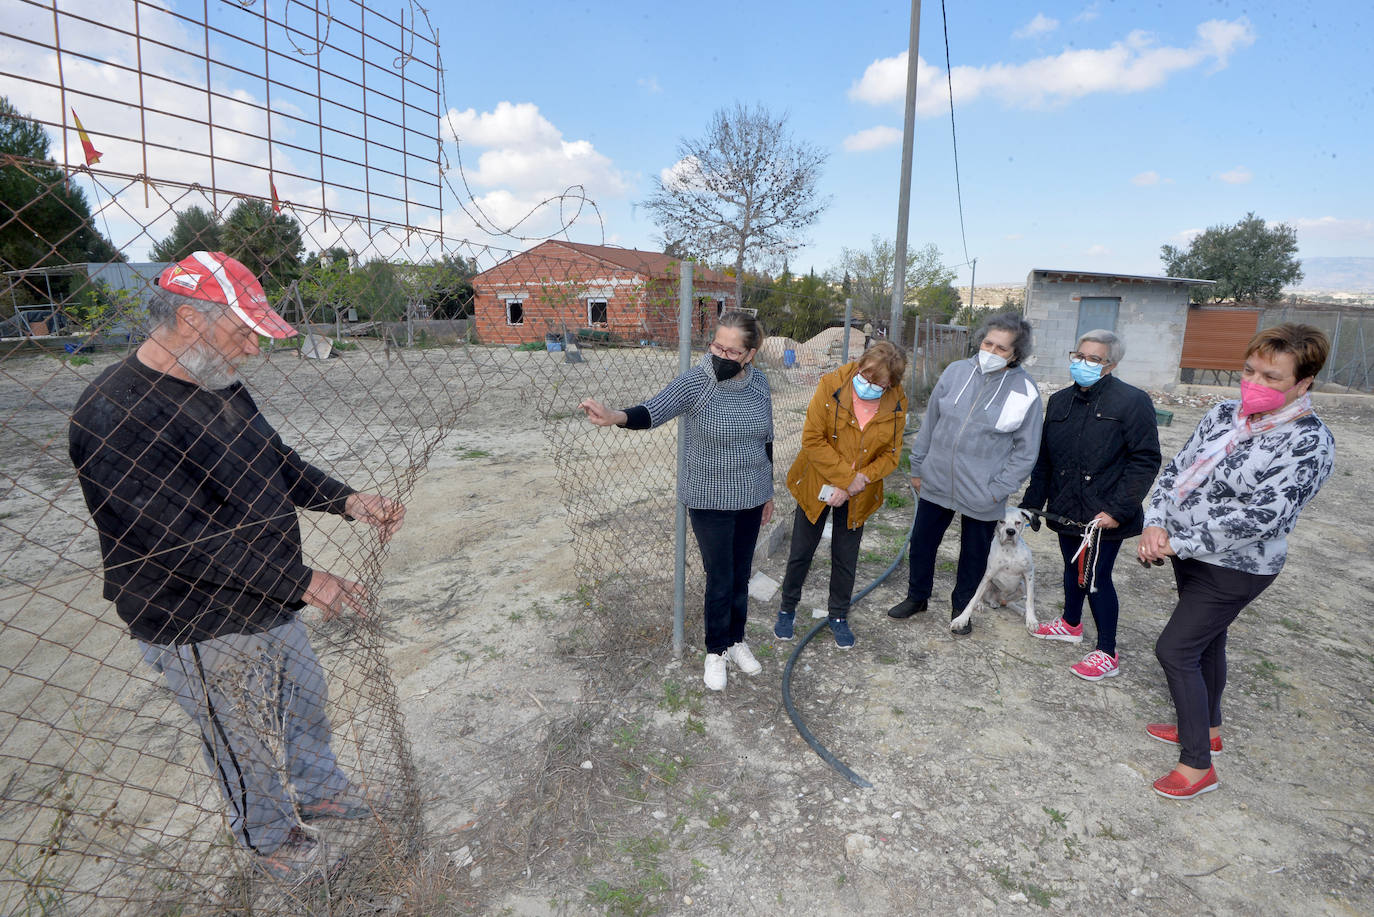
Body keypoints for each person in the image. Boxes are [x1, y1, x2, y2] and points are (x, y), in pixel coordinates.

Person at [68, 252, 406, 883]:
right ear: (191, 319)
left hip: (266, 590)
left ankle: (318, 789)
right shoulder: (115, 413)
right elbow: (180, 541)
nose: (252, 350)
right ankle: (269, 836)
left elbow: (273, 461)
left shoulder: (219, 384)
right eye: (241, 332)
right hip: (191, 614)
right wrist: (305, 580)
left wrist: (345, 500)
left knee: (303, 698)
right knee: (238, 735)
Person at [1139, 324, 1335, 800]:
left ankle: (1197, 766)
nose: (1254, 383)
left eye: (1271, 376)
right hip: (1185, 552)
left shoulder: (1309, 441)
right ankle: (1208, 729)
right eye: (1249, 370)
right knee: (1207, 642)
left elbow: (1264, 518)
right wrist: (1156, 521)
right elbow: (1178, 469)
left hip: (1237, 568)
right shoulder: (1223, 414)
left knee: (1176, 650)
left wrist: (1178, 541)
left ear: (1303, 383)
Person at [579, 311, 774, 691]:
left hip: (751, 494)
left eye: (732, 352)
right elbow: (654, 410)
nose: (721, 355)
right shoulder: (696, 382)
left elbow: (765, 438)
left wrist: (767, 492)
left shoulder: (760, 383)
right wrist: (614, 416)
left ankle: (736, 642)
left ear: (750, 355)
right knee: (720, 577)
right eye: (717, 346)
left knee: (741, 573)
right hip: (710, 497)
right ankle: (715, 651)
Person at [1019, 330, 1161, 680]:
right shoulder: (1061, 401)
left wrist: (1117, 510)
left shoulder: (1132, 401)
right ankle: (1070, 623)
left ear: (1111, 364)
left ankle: (1107, 652)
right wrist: (1032, 504)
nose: (1082, 363)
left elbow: (1145, 460)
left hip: (1103, 514)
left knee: (1095, 577)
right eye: (1079, 355)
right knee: (1072, 568)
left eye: (1094, 359)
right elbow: (1046, 458)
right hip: (1067, 507)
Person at [888, 313, 1042, 634]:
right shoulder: (956, 371)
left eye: (1001, 348)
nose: (991, 351)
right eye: (988, 342)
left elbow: (1026, 450)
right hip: (938, 479)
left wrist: (1000, 488)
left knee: (974, 554)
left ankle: (962, 609)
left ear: (1016, 354)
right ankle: (917, 597)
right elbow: (930, 421)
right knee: (922, 542)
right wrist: (919, 465)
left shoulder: (1025, 390)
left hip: (984, 490)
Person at [773, 342, 909, 649]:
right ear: (860, 365)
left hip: (859, 492)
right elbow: (812, 439)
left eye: (879, 383)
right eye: (866, 376)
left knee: (846, 556)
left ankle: (838, 615)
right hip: (817, 482)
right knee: (800, 551)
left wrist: (850, 487)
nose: (870, 385)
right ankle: (787, 609)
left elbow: (890, 455)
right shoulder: (830, 384)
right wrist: (844, 479)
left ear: (892, 384)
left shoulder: (898, 402)